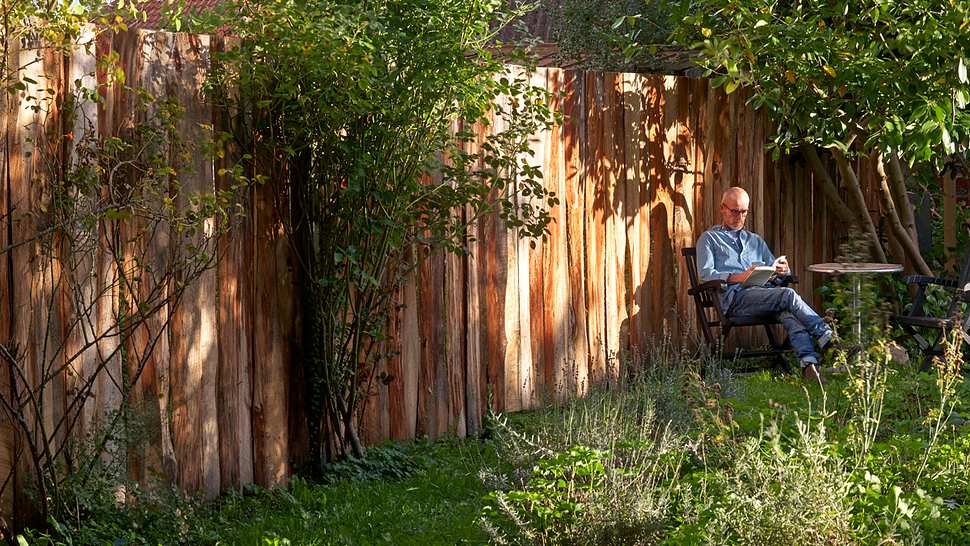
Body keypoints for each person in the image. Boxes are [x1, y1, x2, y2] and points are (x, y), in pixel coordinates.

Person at [696, 186, 833, 382]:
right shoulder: (709, 239)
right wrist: (740, 277)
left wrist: (783, 271)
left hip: (765, 296)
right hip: (735, 299)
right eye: (734, 211)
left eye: (743, 212)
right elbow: (706, 275)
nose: (739, 216)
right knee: (788, 295)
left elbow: (775, 273)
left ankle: (809, 365)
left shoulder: (755, 241)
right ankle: (826, 336)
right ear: (722, 208)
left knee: (790, 315)